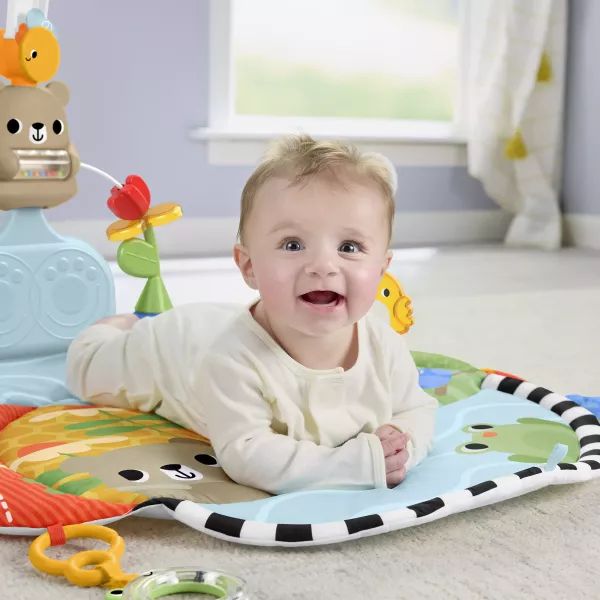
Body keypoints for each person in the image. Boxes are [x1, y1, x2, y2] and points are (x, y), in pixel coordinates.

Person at [66, 134, 437, 495]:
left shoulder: (383, 346)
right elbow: (247, 454)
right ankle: (113, 326)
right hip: (175, 350)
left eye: (350, 247)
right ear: (249, 266)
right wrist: (357, 464)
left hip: (215, 324)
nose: (323, 265)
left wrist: (401, 446)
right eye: (293, 244)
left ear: (382, 269)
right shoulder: (231, 359)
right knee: (85, 370)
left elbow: (417, 409)